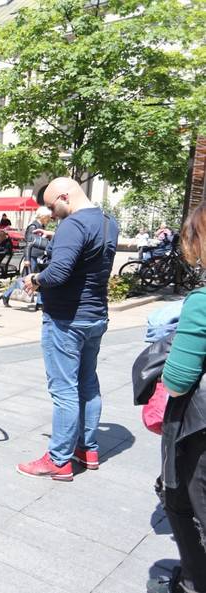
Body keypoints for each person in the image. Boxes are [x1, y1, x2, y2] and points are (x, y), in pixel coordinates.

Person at [16, 177, 119, 481]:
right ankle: (87, 449)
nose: (51, 211)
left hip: (66, 320)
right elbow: (85, 259)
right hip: (95, 316)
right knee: (88, 384)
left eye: (52, 205)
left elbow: (59, 272)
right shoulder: (106, 221)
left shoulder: (72, 226)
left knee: (64, 390)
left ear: (64, 195)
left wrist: (34, 280)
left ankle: (58, 459)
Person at [150, 202, 206, 593]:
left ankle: (193, 580)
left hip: (199, 431)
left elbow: (179, 378)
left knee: (186, 502)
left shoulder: (202, 303)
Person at [1, 206, 52, 308]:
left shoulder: (41, 226)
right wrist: (27, 259)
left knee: (40, 279)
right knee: (26, 279)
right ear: (43, 216)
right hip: (32, 257)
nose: (49, 219)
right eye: (48, 217)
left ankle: (40, 303)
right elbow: (28, 244)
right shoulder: (33, 226)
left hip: (39, 257)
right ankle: (6, 295)